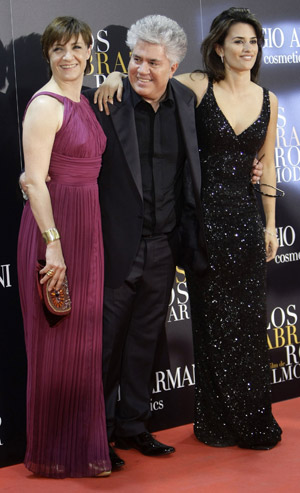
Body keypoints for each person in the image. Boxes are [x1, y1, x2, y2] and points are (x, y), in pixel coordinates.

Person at [95, 8, 282, 450]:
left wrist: (270, 223)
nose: (247, 49)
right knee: (131, 342)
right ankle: (103, 435)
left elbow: (267, 160)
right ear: (219, 46)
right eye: (238, 40)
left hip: (215, 229)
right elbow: (144, 77)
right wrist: (115, 78)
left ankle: (143, 426)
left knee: (168, 339)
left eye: (253, 42)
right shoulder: (193, 87)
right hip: (176, 230)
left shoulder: (255, 98)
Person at [83, 14, 209, 468]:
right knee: (104, 347)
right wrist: (110, 74)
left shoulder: (187, 101)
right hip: (115, 247)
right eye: (135, 58)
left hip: (164, 246)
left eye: (152, 62)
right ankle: (96, 436)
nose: (141, 69)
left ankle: (134, 426)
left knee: (143, 343)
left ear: (173, 67)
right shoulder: (105, 99)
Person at [17, 17, 111, 477]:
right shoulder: (45, 105)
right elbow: (34, 182)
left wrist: (114, 77)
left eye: (76, 48)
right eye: (58, 49)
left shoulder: (86, 101)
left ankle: (83, 449)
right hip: (53, 231)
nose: (68, 56)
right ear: (48, 55)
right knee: (57, 343)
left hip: (87, 229)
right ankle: (54, 454)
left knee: (85, 344)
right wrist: (53, 246)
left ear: (90, 52)